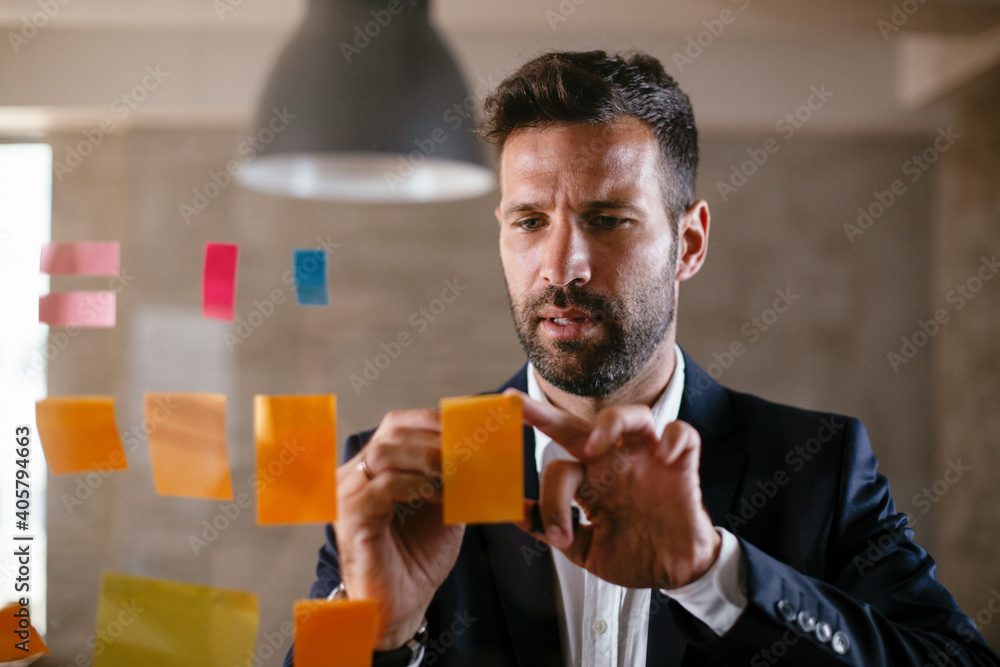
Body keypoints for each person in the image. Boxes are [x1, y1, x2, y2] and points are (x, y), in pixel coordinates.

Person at [284, 51, 1000, 666]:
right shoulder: (397, 479)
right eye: (530, 222)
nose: (561, 266)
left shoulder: (819, 465)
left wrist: (711, 572)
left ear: (689, 243)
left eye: (608, 220)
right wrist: (374, 635)